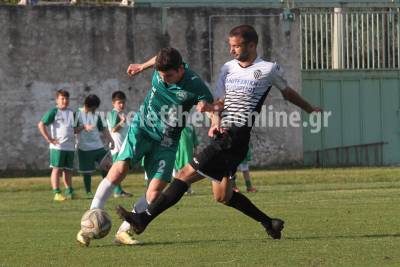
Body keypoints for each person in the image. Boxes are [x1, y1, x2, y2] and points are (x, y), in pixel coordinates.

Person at [116, 24, 321, 240]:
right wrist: (211, 111)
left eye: (236, 46)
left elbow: (288, 93)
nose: (231, 50)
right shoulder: (228, 68)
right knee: (223, 196)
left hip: (236, 136)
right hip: (224, 135)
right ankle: (269, 223)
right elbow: (220, 102)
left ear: (252, 45)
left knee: (184, 175)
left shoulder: (269, 69)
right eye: (230, 45)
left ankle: (142, 219)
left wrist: (310, 109)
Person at [76, 47, 214, 246]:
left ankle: (125, 231)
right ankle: (89, 221)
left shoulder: (195, 84)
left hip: (167, 141)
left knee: (155, 193)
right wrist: (142, 66)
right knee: (119, 169)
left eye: (168, 75)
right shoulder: (161, 69)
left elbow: (210, 106)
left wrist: (213, 119)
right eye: (160, 74)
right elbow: (158, 57)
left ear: (180, 70)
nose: (163, 79)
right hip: (142, 128)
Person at [38, 89, 75, 201]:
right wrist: (49, 139)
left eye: (67, 98)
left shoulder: (72, 113)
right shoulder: (54, 111)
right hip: (58, 147)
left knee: (68, 170)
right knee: (57, 169)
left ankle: (69, 191)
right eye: (62, 98)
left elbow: (75, 130)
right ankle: (57, 193)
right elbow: (41, 124)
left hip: (70, 147)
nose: (65, 101)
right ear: (57, 100)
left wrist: (84, 127)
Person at [75, 94, 114, 199]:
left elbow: (104, 129)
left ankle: (107, 190)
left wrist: (111, 140)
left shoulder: (97, 115)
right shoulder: (77, 114)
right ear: (88, 106)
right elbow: (73, 130)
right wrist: (83, 127)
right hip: (84, 148)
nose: (95, 110)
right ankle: (88, 192)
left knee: (107, 166)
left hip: (98, 146)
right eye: (94, 108)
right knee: (87, 172)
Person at [107, 91, 133, 198]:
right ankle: (117, 191)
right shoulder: (114, 113)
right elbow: (113, 129)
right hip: (117, 147)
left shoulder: (121, 114)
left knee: (121, 170)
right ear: (114, 103)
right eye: (119, 103)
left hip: (122, 146)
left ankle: (119, 190)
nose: (121, 105)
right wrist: (122, 122)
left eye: (123, 102)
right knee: (118, 170)